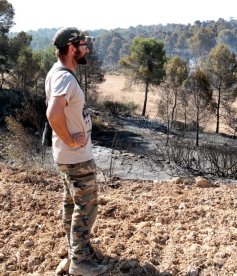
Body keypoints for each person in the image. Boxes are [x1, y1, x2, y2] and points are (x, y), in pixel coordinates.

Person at [45, 27, 107, 276]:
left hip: (67, 157)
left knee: (71, 204)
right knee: (87, 207)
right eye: (83, 45)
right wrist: (71, 140)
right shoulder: (64, 78)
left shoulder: (57, 73)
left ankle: (75, 255)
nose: (87, 49)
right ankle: (81, 261)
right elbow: (53, 114)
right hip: (75, 157)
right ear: (72, 48)